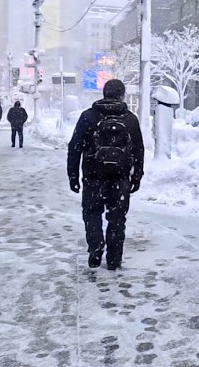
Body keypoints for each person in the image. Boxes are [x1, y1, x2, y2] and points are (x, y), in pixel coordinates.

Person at [67, 79, 144, 270]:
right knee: (117, 218)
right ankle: (114, 258)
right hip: (119, 177)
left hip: (93, 177)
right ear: (121, 95)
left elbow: (74, 147)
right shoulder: (130, 119)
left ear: (104, 93)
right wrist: (137, 176)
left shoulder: (89, 116)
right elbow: (138, 150)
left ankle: (95, 246)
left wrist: (73, 175)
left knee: (92, 213)